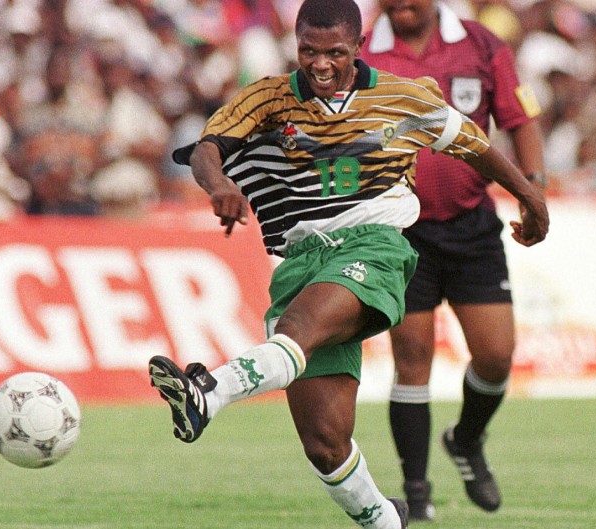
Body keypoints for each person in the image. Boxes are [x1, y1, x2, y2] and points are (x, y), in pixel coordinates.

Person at [147, 0, 548, 528]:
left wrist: (530, 197)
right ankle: (388, 520)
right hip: (300, 260)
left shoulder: (403, 96)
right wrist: (219, 183)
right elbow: (207, 149)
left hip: (374, 246)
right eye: (308, 51)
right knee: (326, 445)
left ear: (358, 48)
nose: (320, 64)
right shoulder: (266, 99)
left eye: (335, 53)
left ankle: (210, 392)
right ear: (296, 46)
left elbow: (474, 146)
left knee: (297, 331)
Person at [359, 0, 546, 520]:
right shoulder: (359, 51)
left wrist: (536, 188)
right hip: (399, 229)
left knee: (495, 356)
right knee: (412, 358)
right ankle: (417, 497)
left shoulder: (483, 45)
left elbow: (520, 120)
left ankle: (465, 440)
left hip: (472, 227)